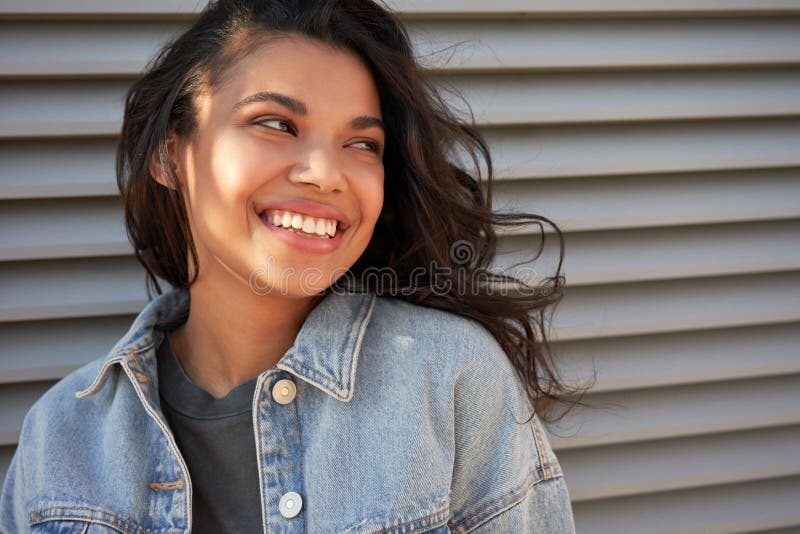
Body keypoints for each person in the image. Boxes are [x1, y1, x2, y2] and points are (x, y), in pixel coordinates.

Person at [1, 0, 583, 532]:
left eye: (363, 145)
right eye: (276, 124)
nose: (325, 173)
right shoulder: (59, 438)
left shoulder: (451, 380)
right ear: (170, 154)